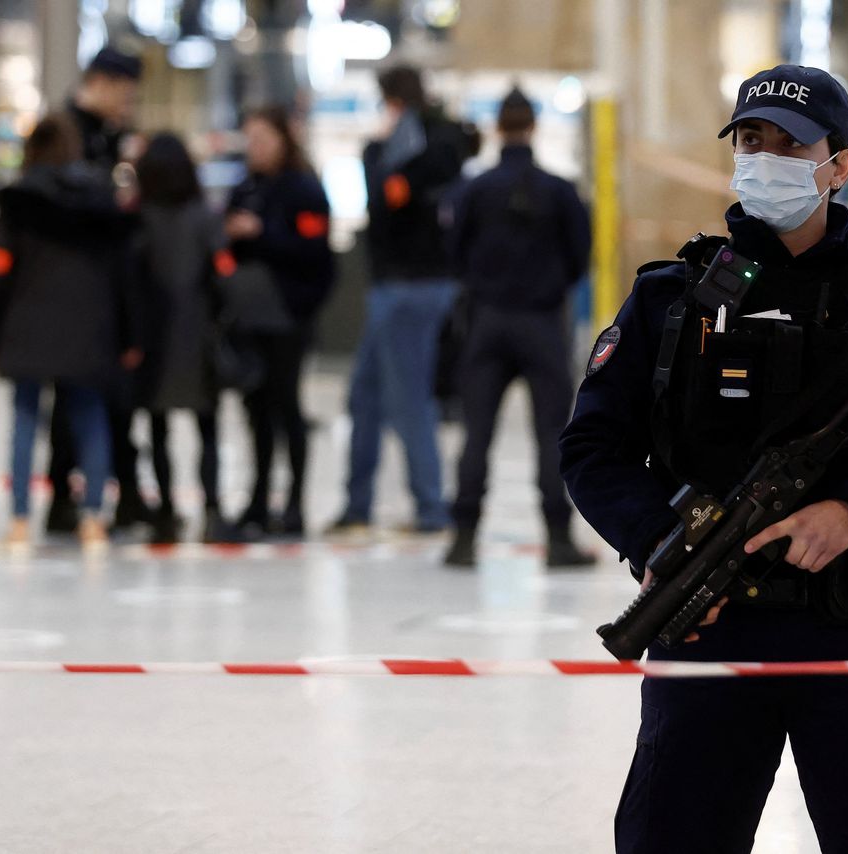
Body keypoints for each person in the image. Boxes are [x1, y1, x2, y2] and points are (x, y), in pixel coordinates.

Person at [560, 65, 848, 853]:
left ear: (839, 167)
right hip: (708, 624)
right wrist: (657, 541)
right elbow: (592, 446)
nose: (766, 158)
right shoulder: (672, 300)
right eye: (752, 140)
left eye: (792, 146)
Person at [441, 88, 594, 568]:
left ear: (496, 128)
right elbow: (579, 257)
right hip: (542, 323)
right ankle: (558, 539)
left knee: (477, 432)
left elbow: (454, 252)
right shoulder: (561, 191)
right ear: (533, 127)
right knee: (551, 432)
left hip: (487, 321)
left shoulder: (475, 188)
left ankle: (463, 539)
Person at [0, 113, 140, 550]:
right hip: (89, 326)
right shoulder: (99, 200)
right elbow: (122, 274)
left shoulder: (20, 203)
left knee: (26, 419)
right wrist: (128, 333)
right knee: (89, 418)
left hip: (26, 323)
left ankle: (20, 521)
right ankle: (92, 520)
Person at [327, 65, 467, 537]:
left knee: (408, 398)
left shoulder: (418, 141)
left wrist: (382, 158)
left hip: (410, 287)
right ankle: (357, 505)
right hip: (399, 286)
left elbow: (388, 200)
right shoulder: (441, 141)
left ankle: (430, 509)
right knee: (364, 395)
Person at [45, 46, 152, 537]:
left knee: (117, 400)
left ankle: (123, 495)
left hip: (112, 292)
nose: (128, 105)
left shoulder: (113, 138)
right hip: (73, 292)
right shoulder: (64, 133)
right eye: (125, 94)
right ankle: (65, 499)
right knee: (73, 402)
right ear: (104, 83)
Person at [225, 107, 335, 539]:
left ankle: (294, 504)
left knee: (287, 407)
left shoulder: (304, 190)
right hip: (248, 318)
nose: (255, 149)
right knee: (255, 412)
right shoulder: (245, 188)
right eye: (249, 140)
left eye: (263, 140)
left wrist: (262, 234)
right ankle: (257, 500)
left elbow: (315, 254)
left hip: (288, 317)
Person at [133, 132, 234, 544]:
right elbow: (223, 274)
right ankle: (211, 508)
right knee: (207, 426)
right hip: (199, 335)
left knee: (158, 428)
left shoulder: (140, 218)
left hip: (154, 337)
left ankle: (166, 512)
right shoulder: (205, 216)